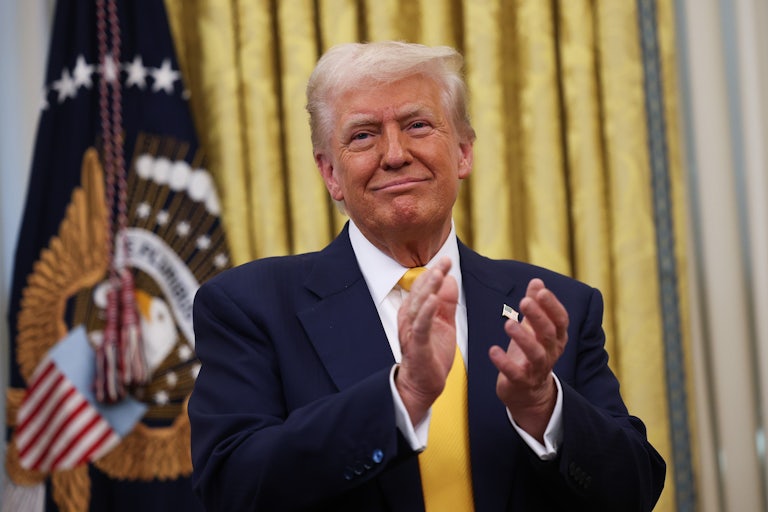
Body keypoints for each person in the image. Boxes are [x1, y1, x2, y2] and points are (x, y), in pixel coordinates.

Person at [188, 41, 666, 511]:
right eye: (363, 135)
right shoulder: (250, 306)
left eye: (417, 125)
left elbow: (634, 491)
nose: (394, 154)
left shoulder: (554, 305)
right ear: (330, 171)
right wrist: (403, 397)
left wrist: (543, 406)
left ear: (463, 152)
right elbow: (232, 488)